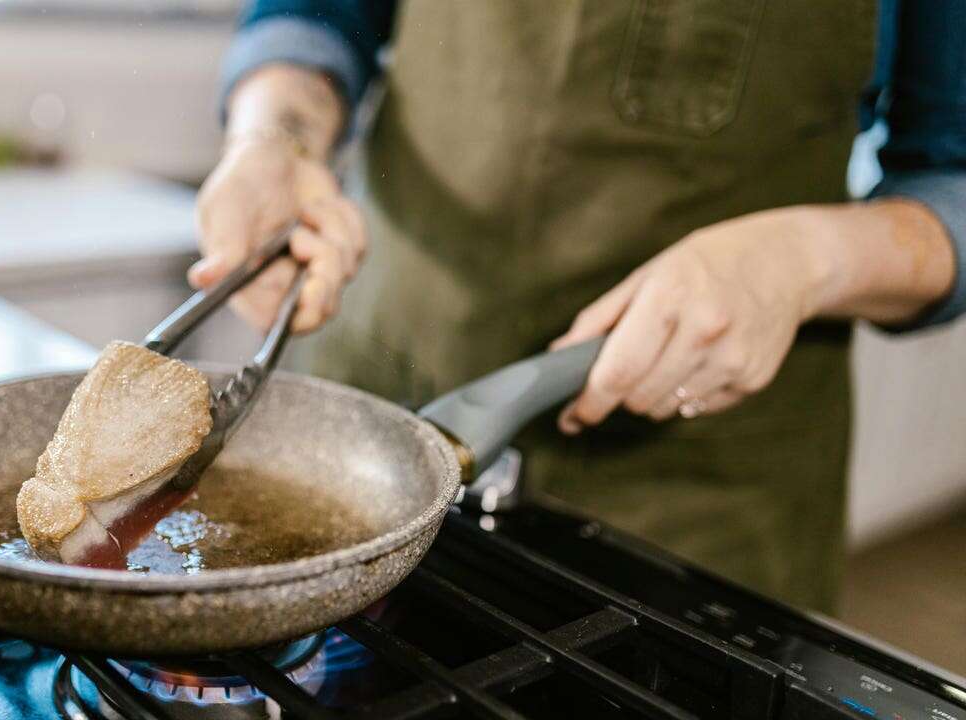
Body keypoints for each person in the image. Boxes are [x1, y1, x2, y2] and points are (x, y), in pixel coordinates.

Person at [192, 0, 966, 612]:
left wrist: (804, 259)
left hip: (699, 502)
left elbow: (953, 181)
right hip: (373, 420)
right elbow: (316, 15)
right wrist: (273, 137)